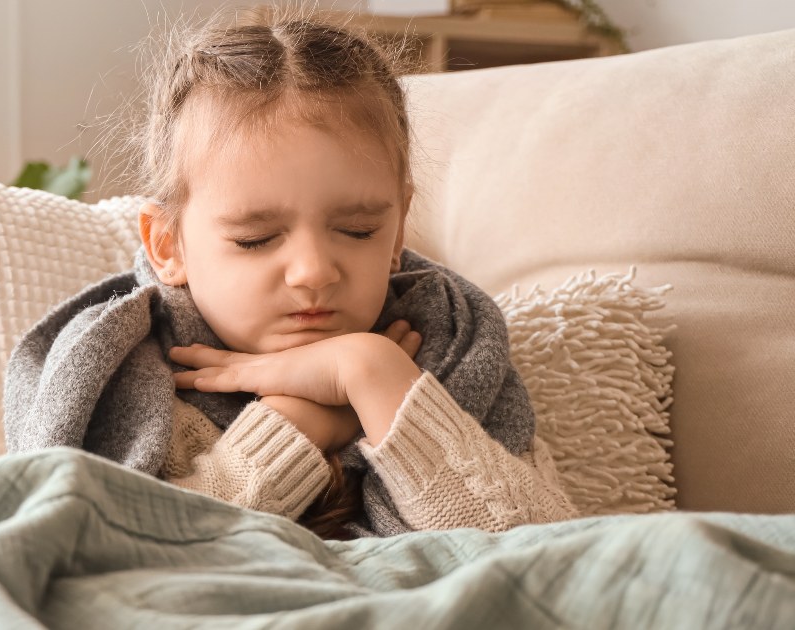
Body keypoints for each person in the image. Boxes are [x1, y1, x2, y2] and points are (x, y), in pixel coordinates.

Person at [133, 9, 577, 538]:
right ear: (166, 245)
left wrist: (373, 374)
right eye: (256, 239)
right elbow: (142, 552)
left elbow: (554, 556)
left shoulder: (450, 347)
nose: (314, 272)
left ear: (397, 231)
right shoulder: (134, 378)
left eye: (359, 229)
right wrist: (302, 423)